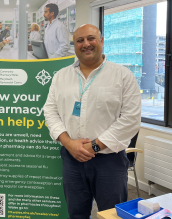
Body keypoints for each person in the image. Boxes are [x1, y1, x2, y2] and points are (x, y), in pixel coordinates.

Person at [43, 24, 141, 218]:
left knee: (112, 215)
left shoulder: (123, 76)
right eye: (80, 40)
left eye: (91, 38)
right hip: (72, 159)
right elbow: (50, 111)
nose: (85, 44)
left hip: (109, 161)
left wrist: (94, 146)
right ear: (74, 45)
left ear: (102, 41)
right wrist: (68, 143)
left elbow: (130, 119)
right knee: (76, 214)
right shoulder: (61, 76)